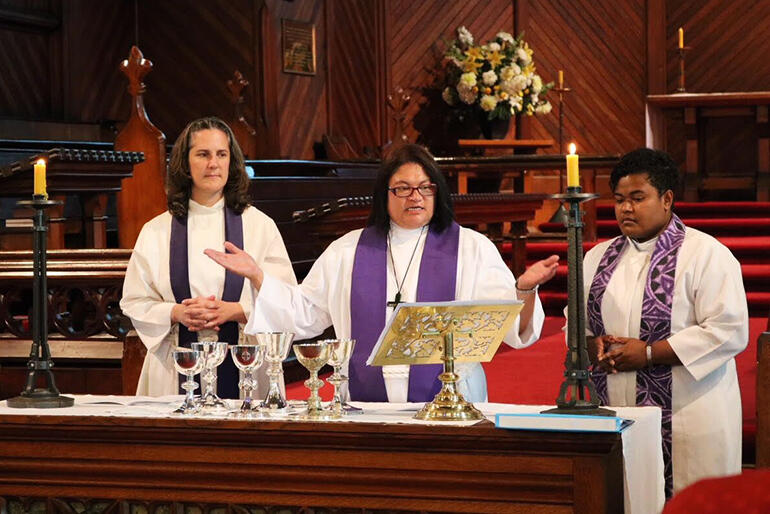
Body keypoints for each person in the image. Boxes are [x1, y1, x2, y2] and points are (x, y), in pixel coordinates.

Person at [205, 143, 559, 403]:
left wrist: (524, 291)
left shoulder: (471, 248)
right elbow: (304, 311)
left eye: (425, 187)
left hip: (452, 404)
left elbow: (508, 327)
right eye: (402, 188)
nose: (414, 197)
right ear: (384, 195)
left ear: (437, 192)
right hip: (364, 402)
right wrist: (258, 277)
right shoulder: (348, 250)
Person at [580, 148, 748, 497]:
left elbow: (728, 330)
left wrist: (652, 354)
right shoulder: (598, 257)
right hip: (615, 409)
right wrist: (589, 343)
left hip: (689, 414)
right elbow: (577, 323)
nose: (626, 208)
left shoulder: (706, 254)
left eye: (638, 198)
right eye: (620, 199)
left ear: (667, 198)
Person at [120, 117, 296, 398]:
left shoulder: (260, 226)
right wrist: (178, 312)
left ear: (231, 162)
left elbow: (286, 300)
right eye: (203, 154)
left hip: (244, 361)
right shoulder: (156, 231)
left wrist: (234, 311)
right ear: (185, 165)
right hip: (175, 360)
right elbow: (134, 301)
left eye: (221, 154)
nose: (213, 163)